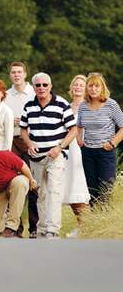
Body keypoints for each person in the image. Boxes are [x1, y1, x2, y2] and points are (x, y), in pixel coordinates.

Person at [20, 72, 77, 239]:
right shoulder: (29, 105)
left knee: (53, 190)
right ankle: (42, 227)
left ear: (50, 86)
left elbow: (73, 130)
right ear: (34, 87)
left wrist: (60, 147)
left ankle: (53, 228)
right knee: (40, 193)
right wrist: (29, 143)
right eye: (38, 85)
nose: (41, 88)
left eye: (45, 85)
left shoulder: (61, 104)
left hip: (56, 155)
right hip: (36, 156)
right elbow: (23, 129)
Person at [77, 73, 123, 205]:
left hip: (106, 153)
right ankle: (94, 221)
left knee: (105, 189)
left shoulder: (111, 105)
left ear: (102, 88)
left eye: (97, 86)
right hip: (88, 153)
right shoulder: (83, 106)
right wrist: (79, 140)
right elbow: (79, 126)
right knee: (91, 190)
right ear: (87, 89)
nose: (93, 89)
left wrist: (112, 143)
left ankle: (105, 219)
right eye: (90, 86)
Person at [5, 61, 38, 238]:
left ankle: (34, 227)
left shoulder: (33, 92)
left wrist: (24, 121)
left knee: (33, 183)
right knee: (13, 183)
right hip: (11, 142)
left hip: (30, 140)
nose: (16, 75)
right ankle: (14, 228)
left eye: (19, 72)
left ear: (25, 74)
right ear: (10, 75)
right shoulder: (6, 95)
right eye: (13, 72)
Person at [63, 75, 90, 238]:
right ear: (71, 88)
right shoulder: (65, 106)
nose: (78, 87)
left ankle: (87, 225)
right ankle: (81, 226)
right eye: (76, 85)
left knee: (81, 186)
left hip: (83, 148)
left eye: (81, 85)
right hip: (68, 150)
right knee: (71, 187)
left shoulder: (89, 106)